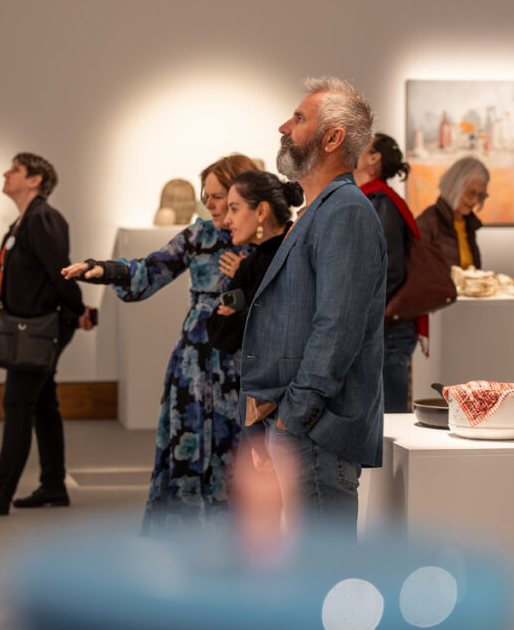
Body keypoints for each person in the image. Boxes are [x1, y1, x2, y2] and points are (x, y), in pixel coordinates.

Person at [61, 154, 255, 532]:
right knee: (190, 449)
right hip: (195, 364)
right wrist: (104, 269)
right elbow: (149, 270)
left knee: (241, 459)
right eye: (207, 196)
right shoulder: (200, 236)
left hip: (244, 364)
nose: (211, 205)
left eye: (219, 197)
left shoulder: (272, 242)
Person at [239, 76, 386, 534]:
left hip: (317, 433)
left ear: (332, 138)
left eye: (299, 119)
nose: (285, 126)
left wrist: (291, 417)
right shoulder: (323, 209)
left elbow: (336, 330)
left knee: (324, 586)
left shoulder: (345, 211)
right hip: (304, 429)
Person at [0, 153, 93, 515]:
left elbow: (61, 272)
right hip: (29, 328)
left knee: (17, 403)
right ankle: (53, 486)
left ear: (34, 180)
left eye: (14, 170)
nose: (6, 173)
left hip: (40, 329)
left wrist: (79, 311)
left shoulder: (44, 219)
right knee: (43, 404)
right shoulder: (25, 220)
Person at [354, 133, 421, 413]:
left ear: (374, 158)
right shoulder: (373, 199)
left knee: (389, 418)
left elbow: (389, 269)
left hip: (387, 327)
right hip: (382, 325)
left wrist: (360, 310)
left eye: (362, 142)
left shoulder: (381, 201)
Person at [206, 170, 303, 354]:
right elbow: (219, 335)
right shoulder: (248, 265)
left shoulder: (299, 252)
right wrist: (253, 314)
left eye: (234, 209)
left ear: (261, 211)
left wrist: (242, 313)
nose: (227, 220)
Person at [415, 156, 489, 269]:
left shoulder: (468, 224)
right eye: (470, 193)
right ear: (454, 187)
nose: (475, 201)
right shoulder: (427, 222)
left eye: (480, 195)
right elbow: (419, 272)